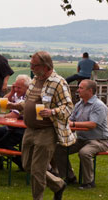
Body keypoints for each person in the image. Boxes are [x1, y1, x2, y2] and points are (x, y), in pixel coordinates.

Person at [7, 51, 73, 200]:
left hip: (46, 131)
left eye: (34, 65)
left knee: (38, 170)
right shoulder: (35, 80)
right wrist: (15, 105)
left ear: (45, 66)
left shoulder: (58, 82)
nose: (31, 68)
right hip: (30, 129)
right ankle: (58, 184)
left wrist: (52, 111)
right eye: (30, 65)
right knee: (27, 165)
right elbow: (28, 102)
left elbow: (68, 107)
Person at [52, 79, 108, 190]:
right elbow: (70, 120)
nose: (78, 90)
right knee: (58, 149)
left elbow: (92, 124)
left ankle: (89, 182)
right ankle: (70, 177)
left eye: (81, 88)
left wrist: (72, 124)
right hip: (81, 140)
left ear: (90, 90)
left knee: (84, 153)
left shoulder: (98, 105)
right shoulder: (79, 104)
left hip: (99, 141)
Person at [0, 74, 31, 171]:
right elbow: (4, 101)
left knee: (3, 144)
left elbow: (14, 115)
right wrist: (12, 91)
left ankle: (24, 165)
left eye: (19, 88)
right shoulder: (16, 94)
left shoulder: (26, 98)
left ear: (27, 88)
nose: (17, 89)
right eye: (15, 87)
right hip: (12, 127)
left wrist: (2, 117)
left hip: (22, 129)